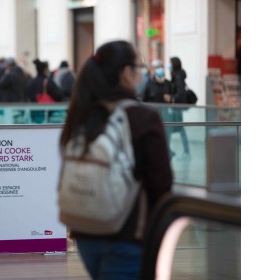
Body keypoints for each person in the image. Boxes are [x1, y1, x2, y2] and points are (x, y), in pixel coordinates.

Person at [59, 40, 173, 279]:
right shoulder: (143, 117)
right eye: (138, 66)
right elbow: (161, 184)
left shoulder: (83, 113)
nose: (142, 73)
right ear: (125, 73)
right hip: (127, 236)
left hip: (85, 231)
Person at [168, 56, 190, 159]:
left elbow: (180, 92)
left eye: (170, 63)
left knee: (177, 128)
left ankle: (186, 152)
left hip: (177, 106)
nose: (169, 66)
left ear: (174, 65)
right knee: (174, 127)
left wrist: (171, 98)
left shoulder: (178, 76)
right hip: (176, 105)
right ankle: (171, 150)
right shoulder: (177, 75)